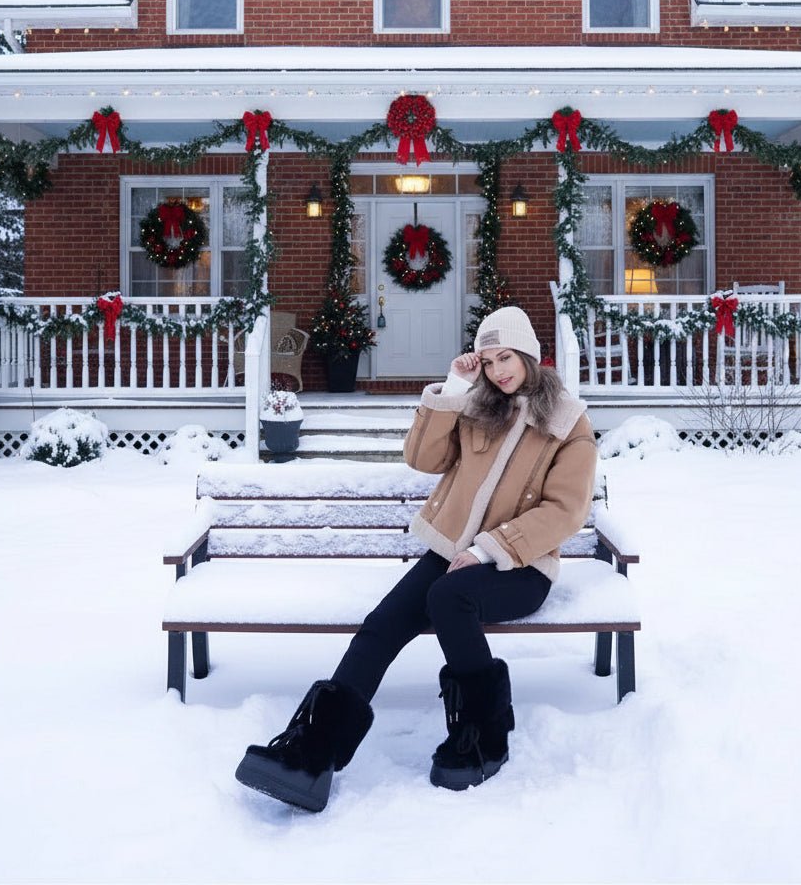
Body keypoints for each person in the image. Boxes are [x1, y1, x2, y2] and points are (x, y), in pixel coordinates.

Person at [235, 306, 598, 812]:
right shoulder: (477, 404)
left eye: (507, 357)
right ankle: (315, 752)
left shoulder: (566, 421)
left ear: (530, 355)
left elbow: (565, 510)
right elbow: (421, 459)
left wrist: (489, 549)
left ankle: (484, 734)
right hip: (452, 554)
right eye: (489, 360)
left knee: (449, 598)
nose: (498, 370)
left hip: (520, 566)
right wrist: (452, 389)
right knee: (382, 623)